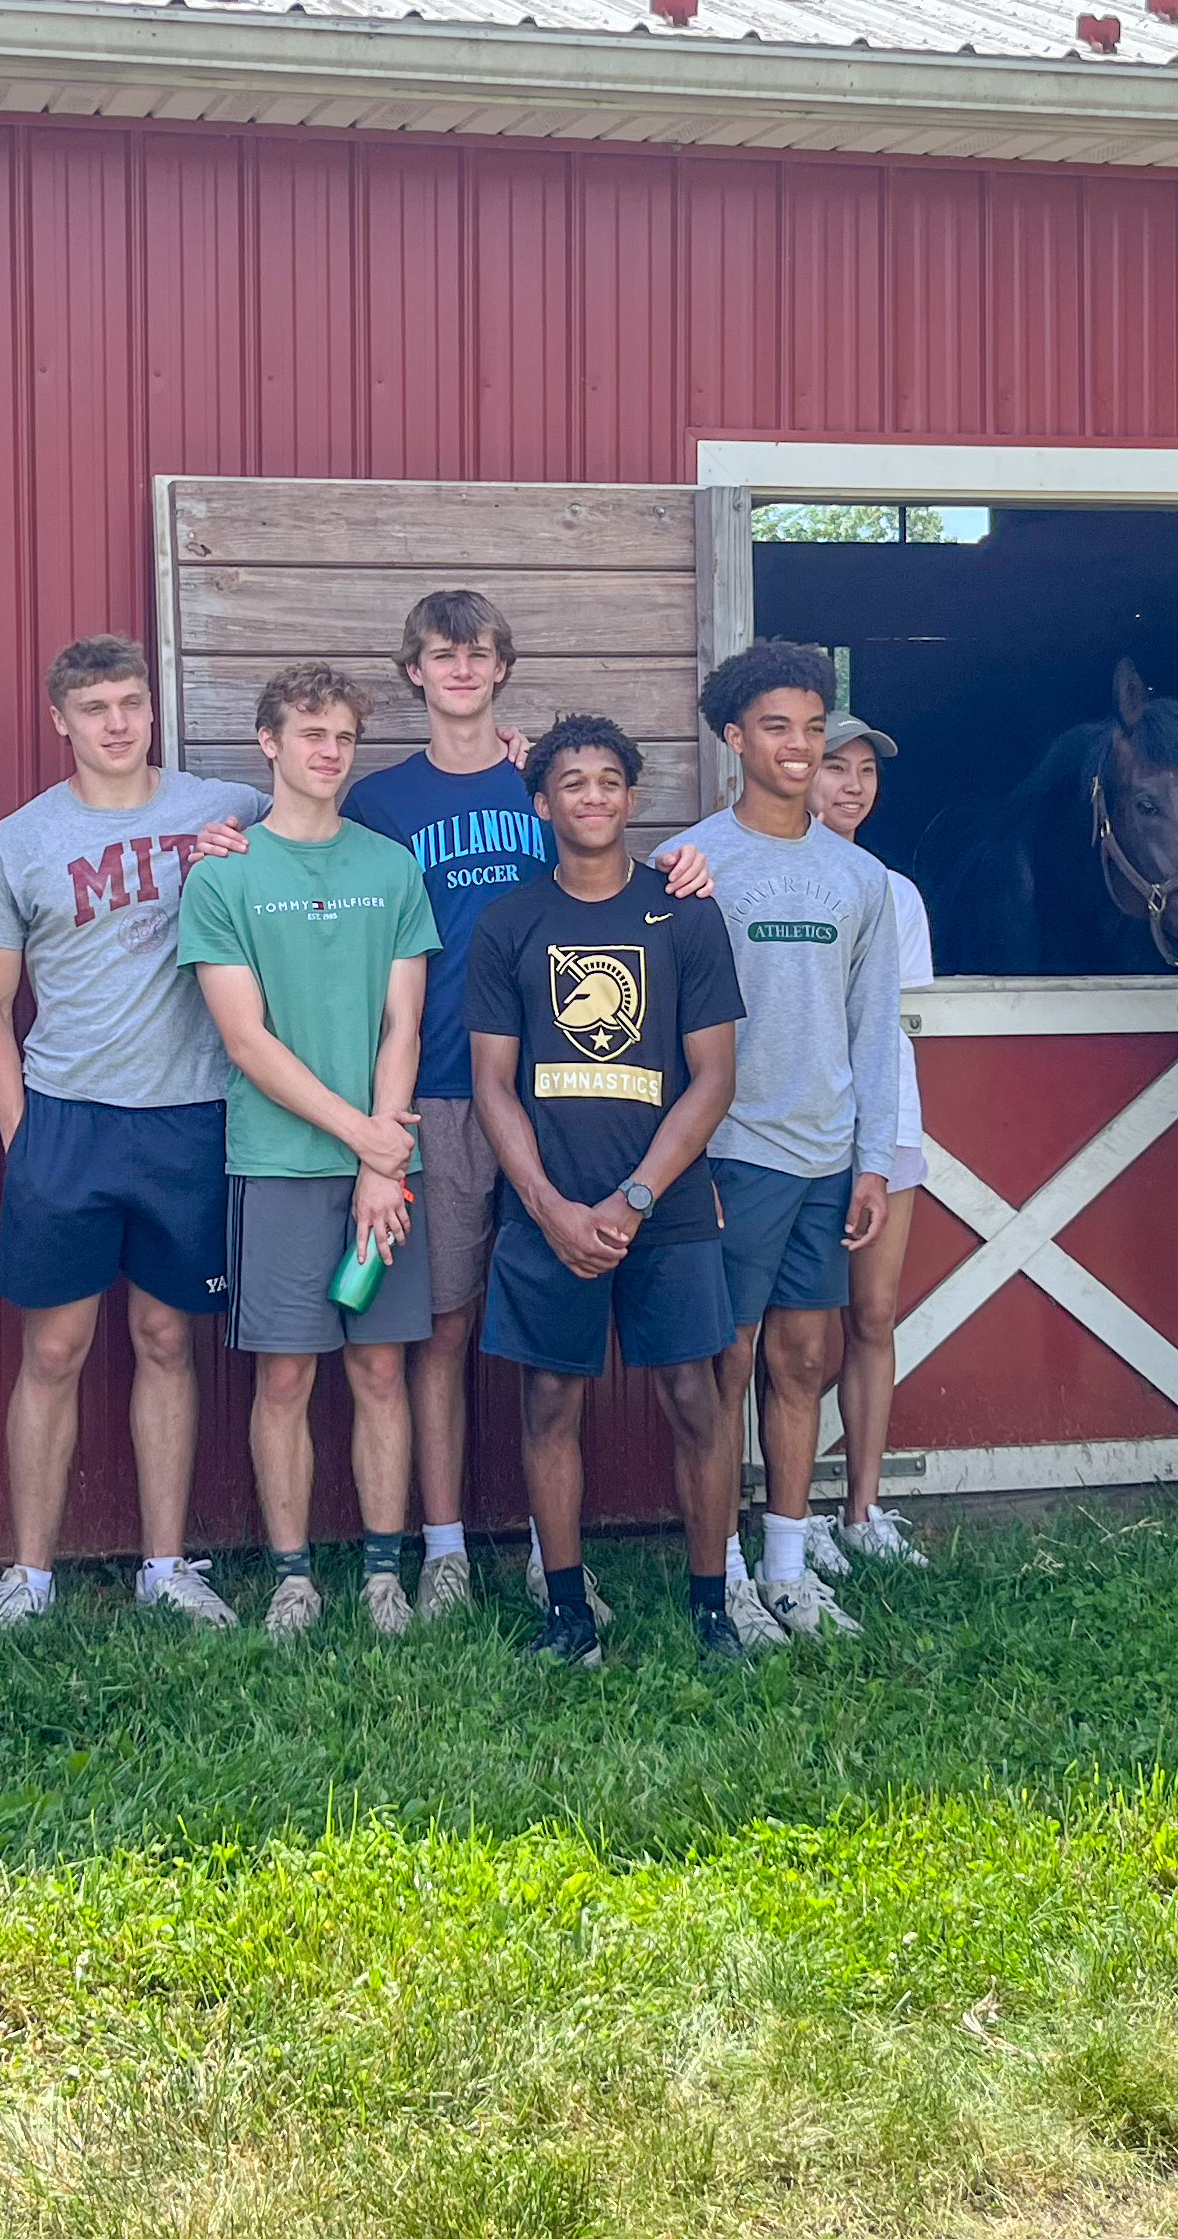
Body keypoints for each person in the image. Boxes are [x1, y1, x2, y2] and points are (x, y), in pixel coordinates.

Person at [341, 589, 711, 1623]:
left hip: (579, 1095)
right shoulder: (381, 802)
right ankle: (449, 1544)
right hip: (452, 1090)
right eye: (439, 653)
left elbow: (620, 866)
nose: (460, 668)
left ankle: (553, 1556)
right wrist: (218, 841)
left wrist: (690, 856)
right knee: (448, 1326)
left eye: (479, 652)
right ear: (411, 670)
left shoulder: (540, 779)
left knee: (558, 1336)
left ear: (502, 667)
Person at [0, 634, 267, 1629]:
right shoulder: (17, 841)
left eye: (131, 702)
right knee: (53, 1348)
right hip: (67, 1117)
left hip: (188, 1112)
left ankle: (166, 1565)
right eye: (95, 707)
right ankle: (29, 1571)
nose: (118, 722)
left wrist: (508, 754)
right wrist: (20, 1132)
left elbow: (325, 820)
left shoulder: (223, 810)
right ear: (60, 720)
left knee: (166, 1335)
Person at [467, 717, 748, 1669]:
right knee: (549, 1401)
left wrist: (632, 1197)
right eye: (571, 784)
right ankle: (566, 1613)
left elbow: (712, 1077)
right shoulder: (510, 922)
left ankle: (713, 1610)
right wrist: (549, 1206)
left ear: (632, 797)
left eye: (609, 782)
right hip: (547, 1211)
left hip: (663, 1209)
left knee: (695, 1399)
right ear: (541, 804)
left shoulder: (686, 914)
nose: (592, 798)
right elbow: (492, 1084)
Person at [177, 662, 439, 1640]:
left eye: (340, 736)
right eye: (308, 733)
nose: (327, 751)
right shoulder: (225, 872)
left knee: (378, 1369)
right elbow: (245, 1039)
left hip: (378, 1173)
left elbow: (400, 1024)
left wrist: (382, 1158)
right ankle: (293, 1577)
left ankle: (381, 1573)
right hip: (279, 1166)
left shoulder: (389, 865)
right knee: (284, 1376)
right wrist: (364, 1136)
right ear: (269, 743)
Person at [666, 641, 900, 1644]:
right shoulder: (689, 863)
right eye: (776, 725)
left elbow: (872, 1027)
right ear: (733, 738)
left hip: (823, 1156)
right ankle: (717, 1576)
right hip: (729, 1158)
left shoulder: (859, 876)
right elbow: (663, 1026)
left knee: (802, 1360)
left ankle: (789, 1567)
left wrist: (872, 1159)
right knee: (728, 1362)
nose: (799, 745)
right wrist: (681, 1170)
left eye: (811, 725)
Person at [810, 713, 935, 1573]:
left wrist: (884, 1144)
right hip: (799, 1132)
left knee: (873, 1315)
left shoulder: (897, 892)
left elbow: (900, 1020)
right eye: (833, 767)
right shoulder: (766, 873)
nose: (852, 785)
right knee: (798, 1333)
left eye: (865, 770)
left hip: (888, 1130)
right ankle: (783, 1509)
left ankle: (861, 1506)